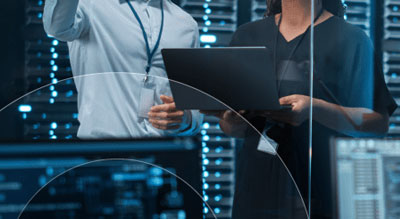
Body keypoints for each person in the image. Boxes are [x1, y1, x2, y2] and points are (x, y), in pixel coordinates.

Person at [204, 0, 397, 218]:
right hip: (257, 193)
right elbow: (232, 129)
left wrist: (315, 109)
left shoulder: (352, 40)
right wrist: (234, 120)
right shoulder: (247, 36)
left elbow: (378, 123)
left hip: (322, 195)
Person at [43, 0, 203, 138]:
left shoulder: (186, 25)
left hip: (163, 157)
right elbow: (56, 28)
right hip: (105, 153)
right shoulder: (90, 5)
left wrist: (185, 119)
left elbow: (195, 113)